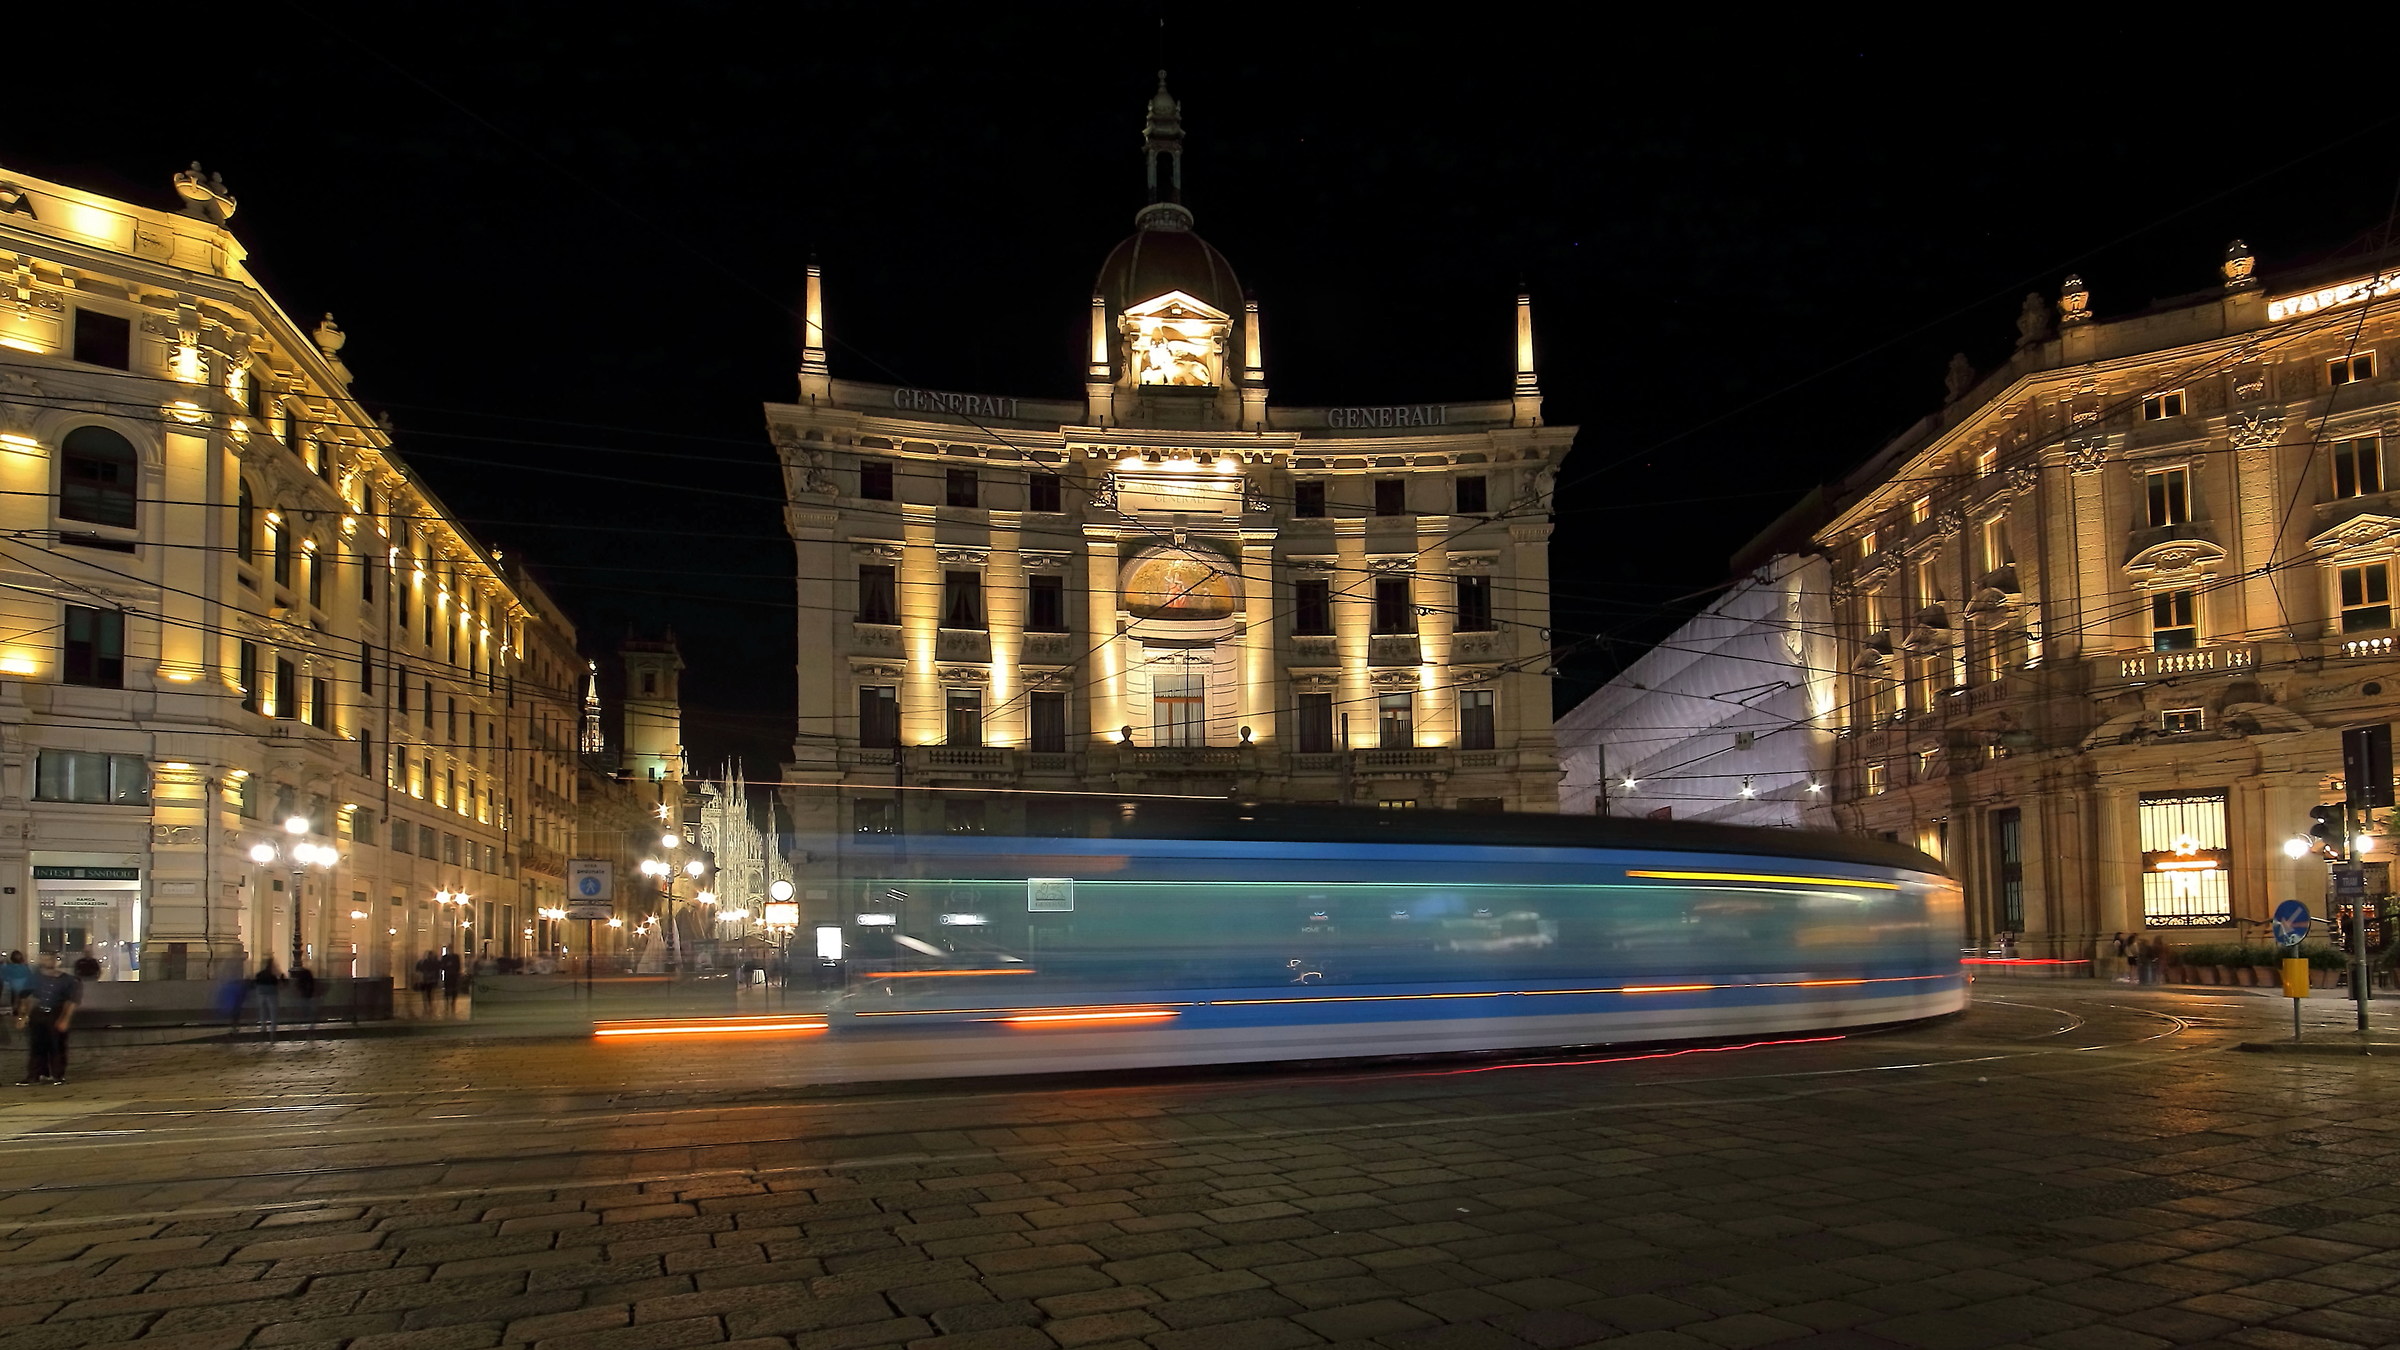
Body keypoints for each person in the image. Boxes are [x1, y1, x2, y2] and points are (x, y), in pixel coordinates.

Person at [15, 952, 80, 1085]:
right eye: (44, 958)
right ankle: (35, 1074)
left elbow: (71, 1001)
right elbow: (25, 997)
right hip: (38, 1014)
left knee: (57, 1045)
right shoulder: (34, 978)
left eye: (50, 958)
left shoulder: (67, 980)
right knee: (37, 1045)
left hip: (56, 1012)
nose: (48, 961)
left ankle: (57, 1075)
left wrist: (65, 1019)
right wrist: (22, 1016)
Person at [0, 951, 29, 1049]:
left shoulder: (8, 968)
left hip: (15, 990)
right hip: (24, 990)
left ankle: (17, 1023)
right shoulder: (24, 967)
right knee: (22, 1006)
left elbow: (4, 977)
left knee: (16, 1007)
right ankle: (22, 1022)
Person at [252, 960, 283, 1039]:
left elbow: (255, 982)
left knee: (262, 1012)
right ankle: (272, 1031)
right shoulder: (273, 975)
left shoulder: (260, 974)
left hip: (261, 994)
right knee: (273, 1013)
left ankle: (263, 1027)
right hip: (271, 995)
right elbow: (278, 984)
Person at [291, 963, 318, 1036]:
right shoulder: (308, 974)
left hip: (303, 995)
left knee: (303, 1010)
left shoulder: (301, 976)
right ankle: (310, 1028)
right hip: (309, 995)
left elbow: (298, 985)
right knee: (310, 1012)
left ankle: (300, 1029)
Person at [413, 951, 439, 1017]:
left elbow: (436, 970)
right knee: (427, 994)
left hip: (429, 980)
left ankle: (429, 1006)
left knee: (429, 994)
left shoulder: (433, 962)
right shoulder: (425, 962)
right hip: (426, 980)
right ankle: (427, 1006)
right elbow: (419, 969)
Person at [439, 949, 462, 1017]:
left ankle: (453, 1001)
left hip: (454, 975)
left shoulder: (456, 957)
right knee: (447, 989)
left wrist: (457, 973)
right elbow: (442, 966)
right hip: (448, 975)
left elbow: (458, 965)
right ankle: (447, 1001)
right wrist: (447, 966)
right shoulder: (445, 957)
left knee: (454, 989)